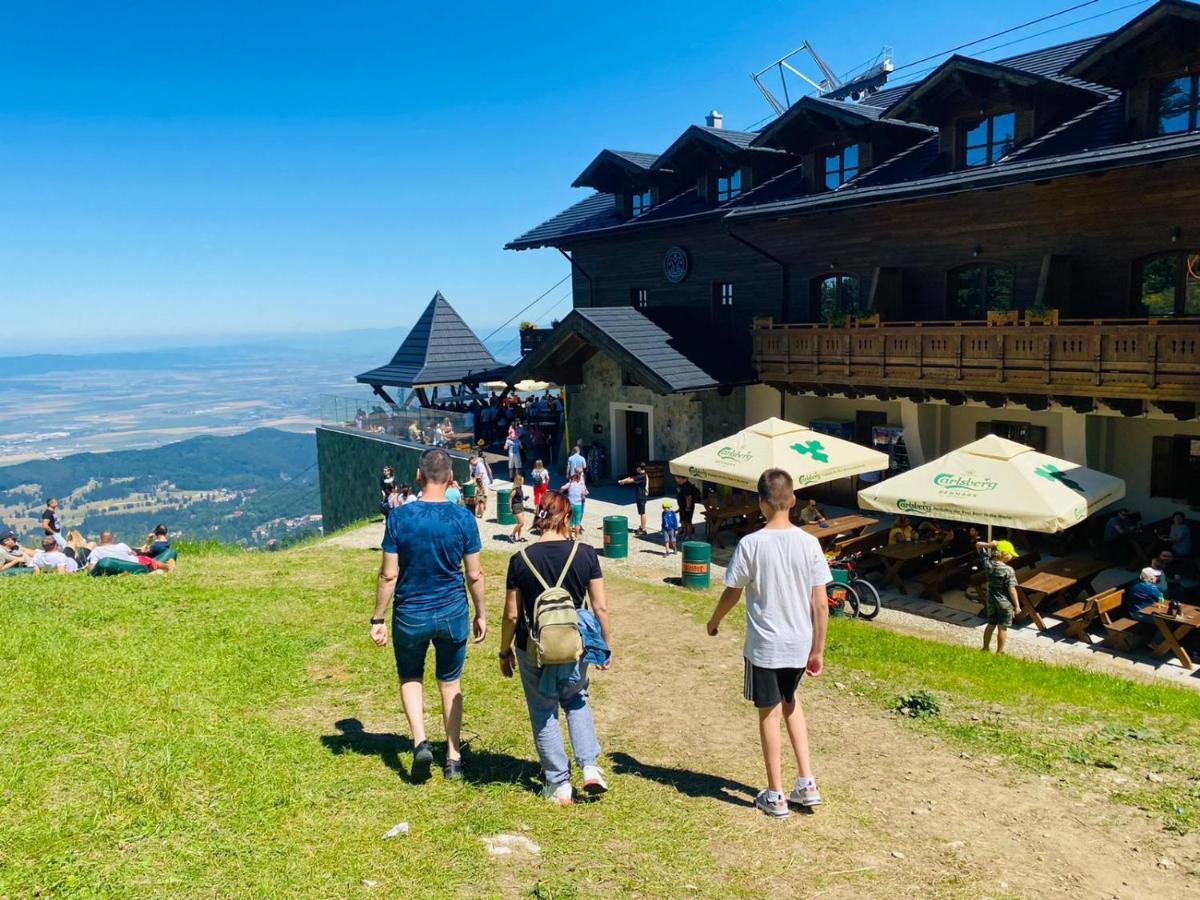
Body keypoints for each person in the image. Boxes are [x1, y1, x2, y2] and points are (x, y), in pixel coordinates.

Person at [705, 468, 831, 819]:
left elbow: (733, 591)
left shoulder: (752, 544)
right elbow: (821, 603)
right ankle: (807, 782)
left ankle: (775, 794)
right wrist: (817, 649)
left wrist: (715, 622)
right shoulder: (809, 543)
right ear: (792, 501)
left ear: (761, 503)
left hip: (766, 645)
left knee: (769, 711)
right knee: (791, 702)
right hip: (799, 642)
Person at [370, 448, 487, 782]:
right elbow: (475, 575)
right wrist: (481, 613)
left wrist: (378, 618)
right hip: (452, 612)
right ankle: (453, 757)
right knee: (450, 682)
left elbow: (388, 575)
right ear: (450, 478)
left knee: (410, 676)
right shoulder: (463, 518)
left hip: (410, 613)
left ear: (419, 476)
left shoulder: (399, 518)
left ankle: (421, 741)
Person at [498, 489, 611, 804]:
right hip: (575, 645)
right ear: (569, 517)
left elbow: (511, 614)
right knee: (577, 700)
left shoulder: (520, 560)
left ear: (539, 516)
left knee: (543, 709)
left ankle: (559, 783)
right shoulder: (586, 554)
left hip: (534, 647)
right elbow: (600, 607)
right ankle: (589, 766)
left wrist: (504, 651)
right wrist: (604, 645)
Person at [977, 539, 1019, 655]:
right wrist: (1017, 605)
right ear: (1005, 554)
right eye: (1010, 554)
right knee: (1002, 628)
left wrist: (989, 545)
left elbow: (978, 545)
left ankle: (985, 648)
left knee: (991, 625)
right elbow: (1012, 589)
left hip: (991, 601)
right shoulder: (1008, 570)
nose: (1011, 556)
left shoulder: (988, 565)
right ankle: (999, 652)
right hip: (1004, 603)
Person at [87, 532, 174, 572]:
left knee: (145, 560)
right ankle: (167, 567)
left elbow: (91, 569)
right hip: (134, 563)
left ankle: (166, 567)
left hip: (119, 566)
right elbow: (134, 554)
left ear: (100, 540)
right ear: (112, 539)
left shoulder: (96, 551)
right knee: (147, 560)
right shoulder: (121, 545)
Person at [617, 463, 650, 535]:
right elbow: (630, 477)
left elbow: (631, 480)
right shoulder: (642, 475)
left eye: (637, 467)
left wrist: (623, 482)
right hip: (640, 495)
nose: (636, 469)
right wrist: (623, 480)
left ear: (639, 468)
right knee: (641, 512)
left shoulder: (642, 476)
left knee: (642, 513)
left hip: (641, 496)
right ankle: (641, 527)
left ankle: (643, 529)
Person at [674, 475, 702, 541]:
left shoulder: (687, 486)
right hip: (682, 507)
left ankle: (688, 536)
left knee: (688, 522)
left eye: (678, 478)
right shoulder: (682, 485)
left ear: (683, 479)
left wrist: (688, 507)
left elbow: (688, 497)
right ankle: (683, 531)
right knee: (683, 520)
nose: (676, 480)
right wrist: (680, 508)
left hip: (687, 507)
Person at [562, 471, 588, 539]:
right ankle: (576, 537)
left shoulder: (569, 484)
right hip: (578, 505)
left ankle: (570, 536)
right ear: (579, 479)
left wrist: (562, 492)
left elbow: (562, 488)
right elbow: (586, 493)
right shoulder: (581, 485)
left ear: (572, 478)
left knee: (570, 521)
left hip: (570, 505)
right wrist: (582, 494)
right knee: (577, 521)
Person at [510, 475, 527, 543]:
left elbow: (519, 497)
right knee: (521, 523)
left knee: (520, 522)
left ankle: (520, 537)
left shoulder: (520, 487)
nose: (523, 481)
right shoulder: (515, 489)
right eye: (522, 480)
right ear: (519, 481)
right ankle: (512, 535)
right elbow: (510, 498)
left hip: (521, 505)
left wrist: (524, 498)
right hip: (516, 506)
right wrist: (510, 507)